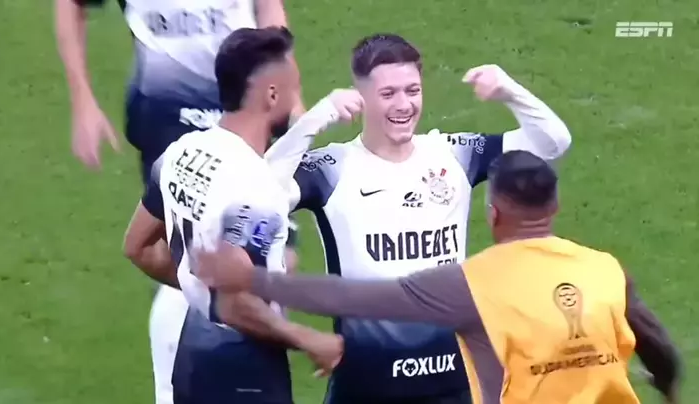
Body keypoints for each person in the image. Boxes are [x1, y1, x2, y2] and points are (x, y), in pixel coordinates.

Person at [197, 150, 682, 404]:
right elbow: (659, 347)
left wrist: (253, 279)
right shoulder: (605, 269)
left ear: (493, 214)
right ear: (555, 207)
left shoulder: (472, 285)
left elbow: (353, 297)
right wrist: (668, 388)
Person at [260, 33, 571, 404]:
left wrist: (509, 91)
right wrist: (316, 118)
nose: (404, 104)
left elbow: (552, 143)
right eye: (388, 93)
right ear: (360, 97)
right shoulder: (332, 168)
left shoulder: (453, 155)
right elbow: (259, 191)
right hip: (366, 385)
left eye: (413, 91)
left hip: (453, 381)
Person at [55, 1, 303, 403]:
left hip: (250, 101)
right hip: (170, 113)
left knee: (276, 261)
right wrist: (82, 99)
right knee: (197, 260)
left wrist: (291, 93)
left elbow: (268, 7)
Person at [124, 27, 366, 404]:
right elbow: (237, 303)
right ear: (272, 95)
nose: (296, 98)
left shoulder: (181, 152)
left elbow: (137, 247)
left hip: (193, 351)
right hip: (244, 368)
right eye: (293, 88)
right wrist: (309, 339)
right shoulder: (254, 190)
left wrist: (199, 290)